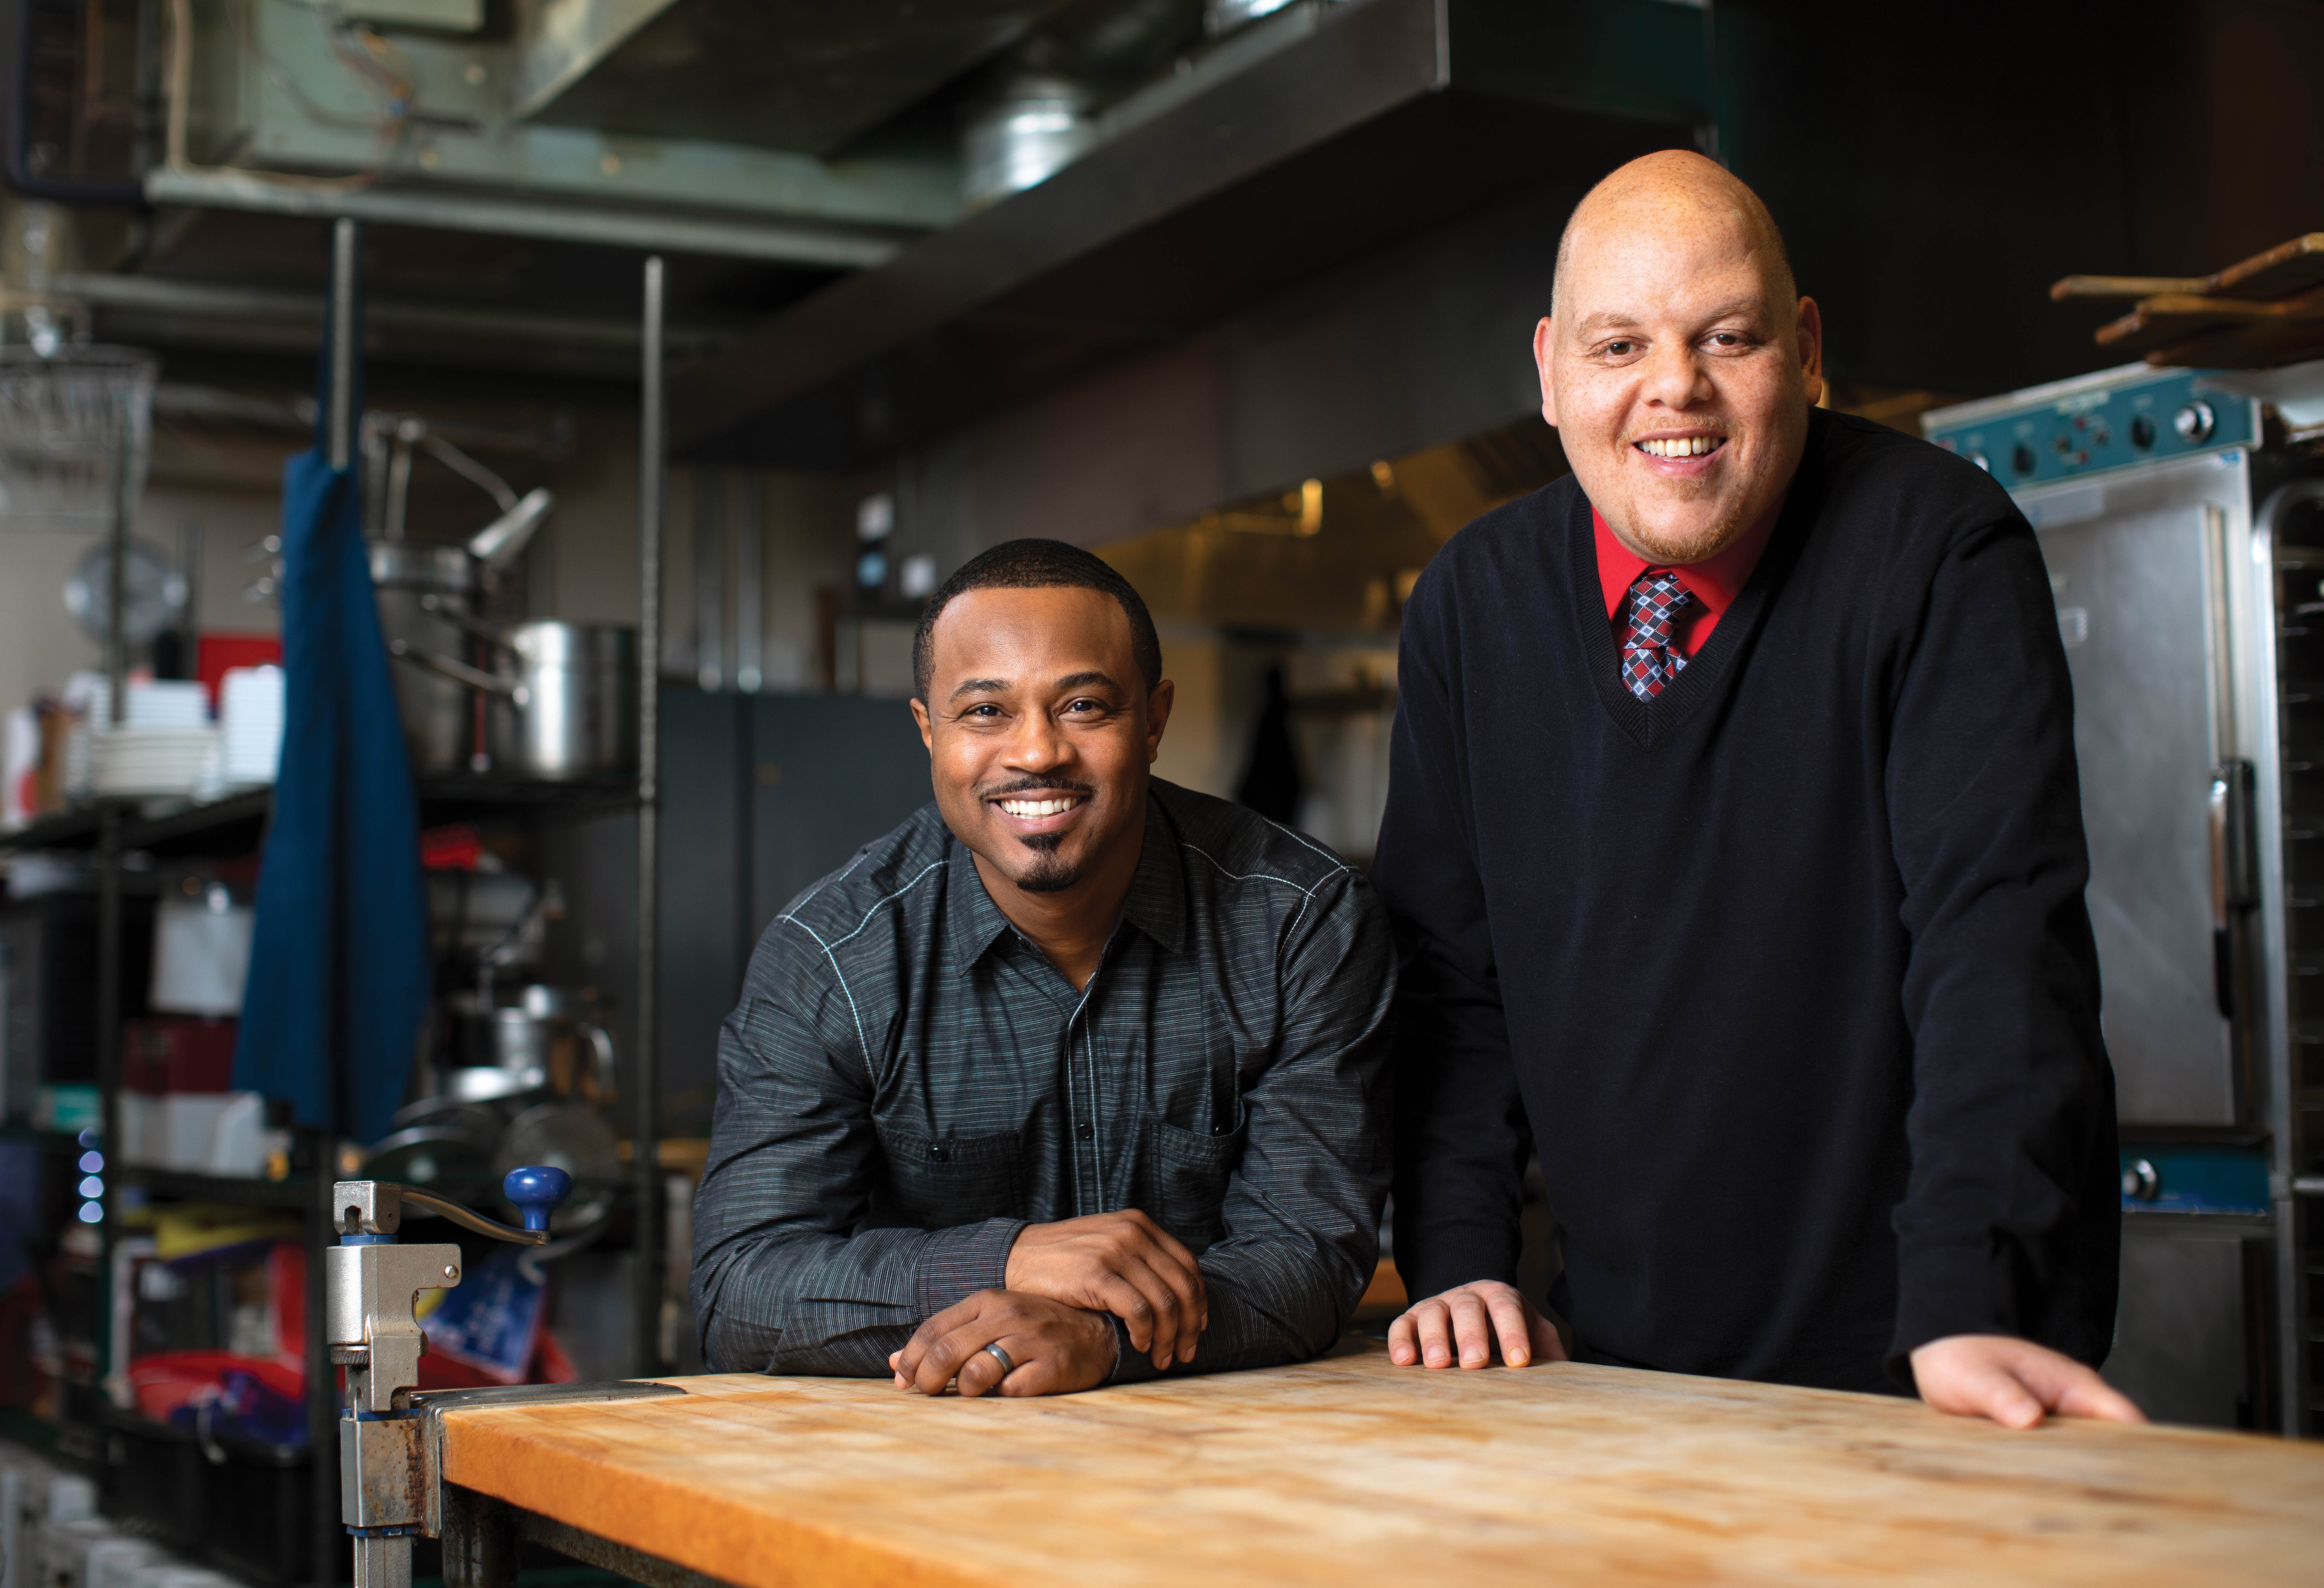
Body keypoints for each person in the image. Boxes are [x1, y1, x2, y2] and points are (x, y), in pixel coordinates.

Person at [1373, 150, 2142, 1428]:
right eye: (1620, 348)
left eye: (1726, 337)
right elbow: (1451, 982)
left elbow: (1997, 939)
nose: (1675, 388)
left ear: (1807, 347)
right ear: (1552, 372)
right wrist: (1463, 1265)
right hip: (1614, 1366)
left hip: (1926, 1358)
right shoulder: (1471, 603)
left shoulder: (1940, 551)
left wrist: (1971, 1292)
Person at [690, 539, 1393, 1397]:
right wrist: (1009, 1257)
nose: (1036, 752)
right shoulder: (830, 956)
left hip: (1226, 1470)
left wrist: (1100, 1339)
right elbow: (741, 1287)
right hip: (919, 1472)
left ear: (1154, 719)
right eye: (985, 711)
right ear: (928, 731)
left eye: (1085, 705)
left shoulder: (1301, 922)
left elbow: (1309, 1257)